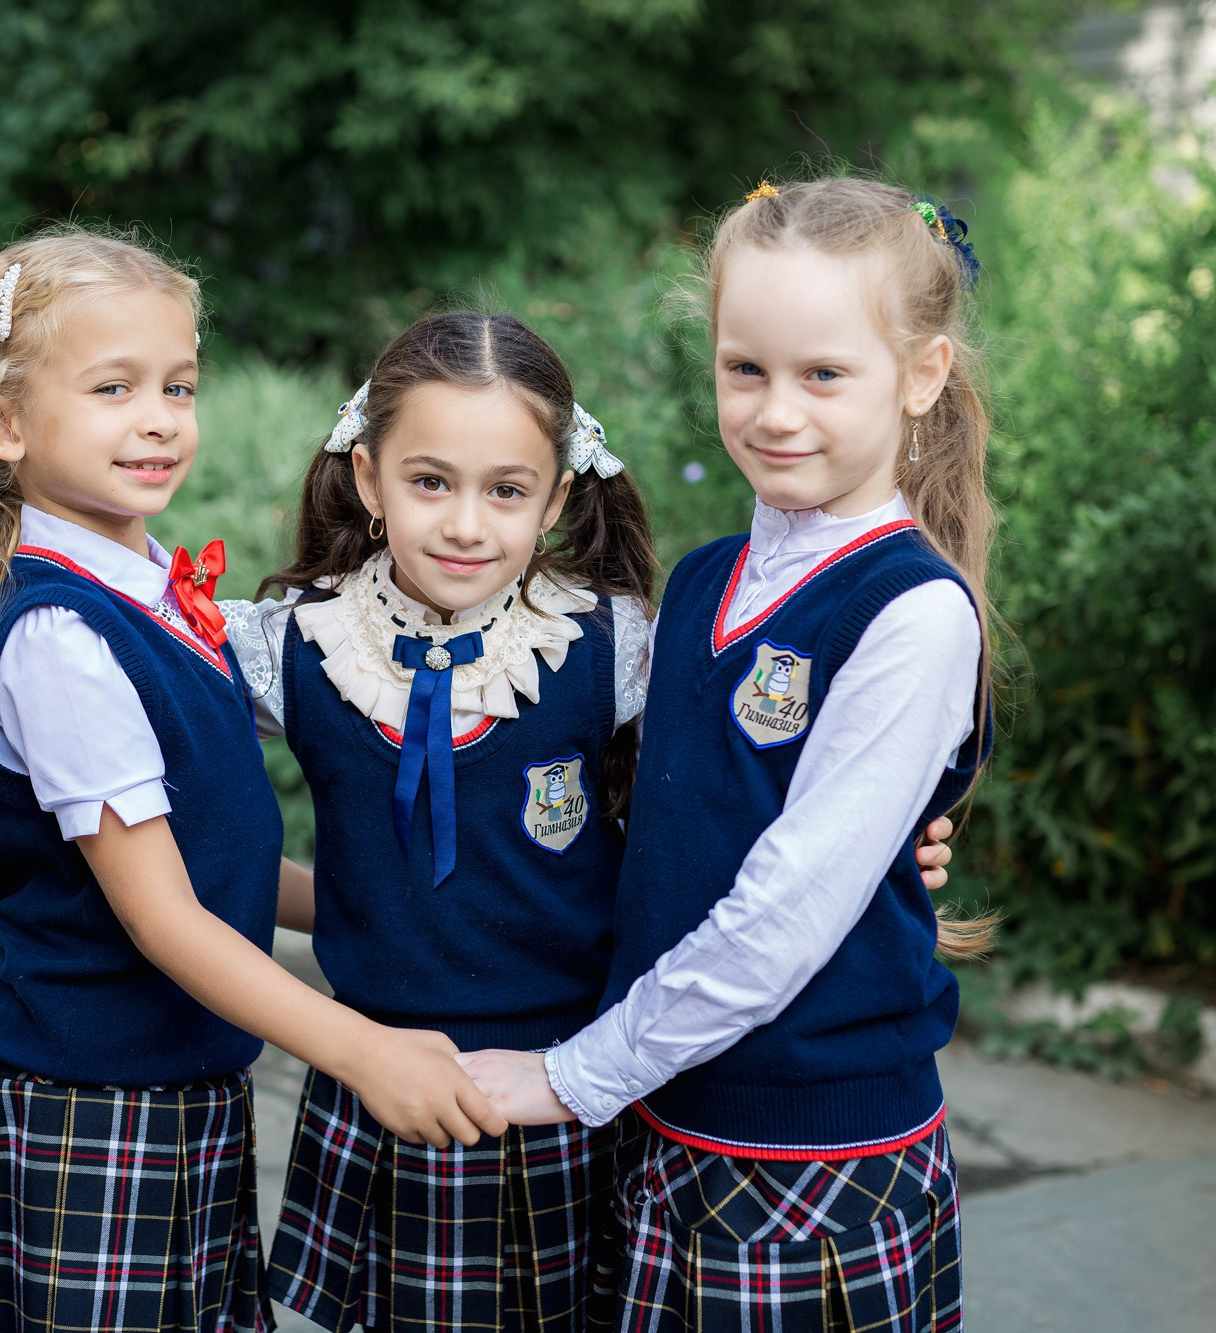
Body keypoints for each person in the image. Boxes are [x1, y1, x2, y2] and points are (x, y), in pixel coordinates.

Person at [218, 311, 959, 1333]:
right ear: (365, 477)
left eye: (506, 490)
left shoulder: (612, 645)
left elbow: (745, 789)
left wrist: (894, 838)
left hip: (576, 1084)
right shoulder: (289, 646)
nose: (465, 524)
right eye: (429, 481)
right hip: (382, 1084)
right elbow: (159, 774)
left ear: (557, 495)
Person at [0, 228, 503, 1333]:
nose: (159, 416)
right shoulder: (61, 640)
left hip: (179, 1097)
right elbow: (167, 917)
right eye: (112, 386)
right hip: (91, 1111)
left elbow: (218, 860)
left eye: (178, 383)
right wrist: (360, 1049)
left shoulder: (152, 595)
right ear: (2, 422)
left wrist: (384, 903)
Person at [462, 178, 999, 1333]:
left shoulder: (911, 612)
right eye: (743, 368)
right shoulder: (705, 577)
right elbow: (661, 813)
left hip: (809, 1150)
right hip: (666, 1110)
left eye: (822, 374)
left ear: (920, 376)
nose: (775, 412)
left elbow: (786, 910)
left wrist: (573, 1075)